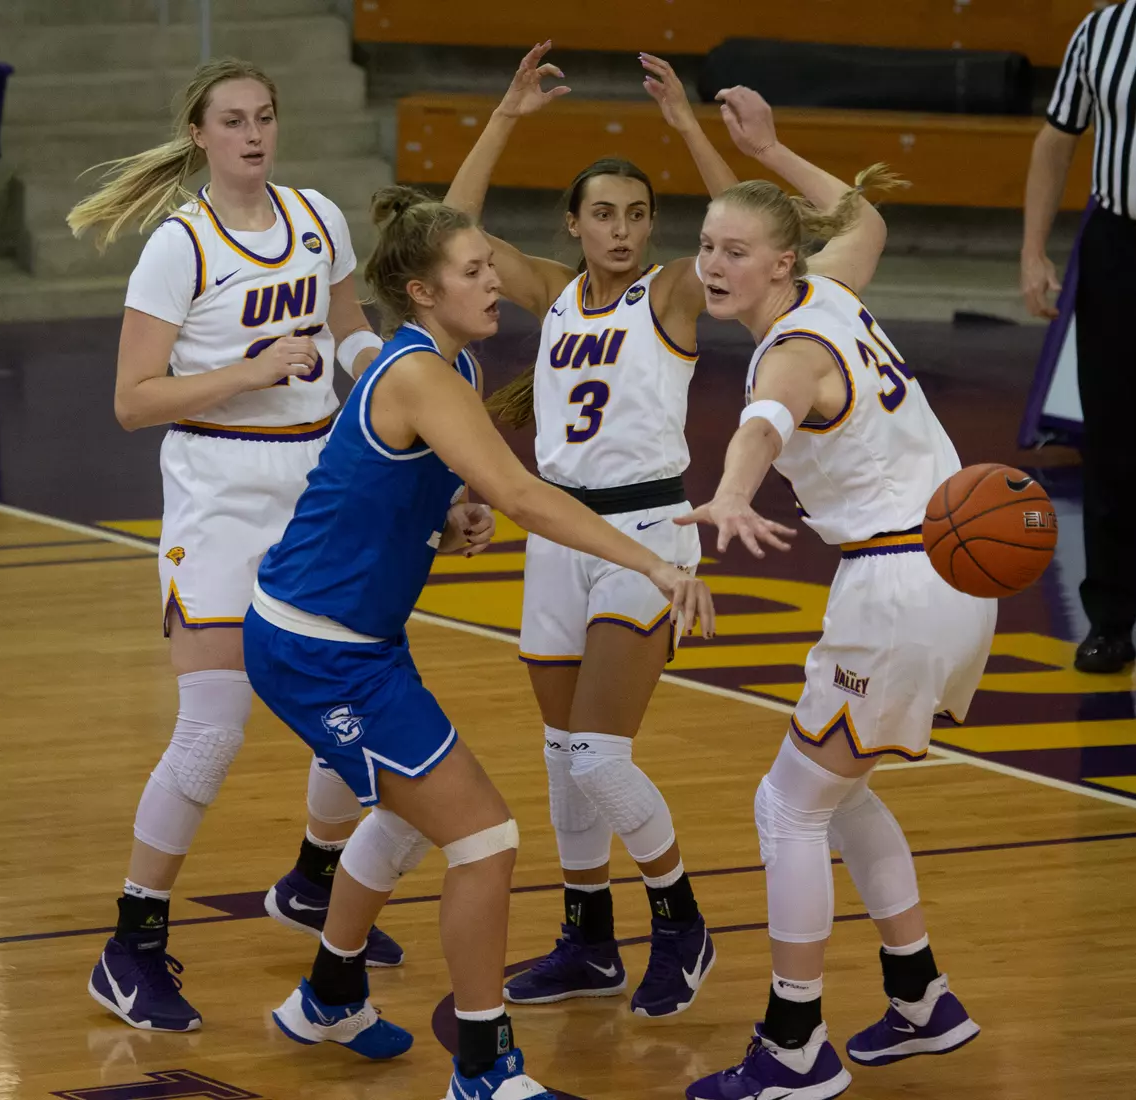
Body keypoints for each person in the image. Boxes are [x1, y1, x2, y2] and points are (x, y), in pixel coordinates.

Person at [241, 185, 715, 1096]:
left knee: (406, 815)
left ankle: (329, 995)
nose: (494, 279)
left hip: (356, 642)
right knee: (485, 840)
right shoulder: (418, 373)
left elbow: (403, 486)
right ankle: (483, 1068)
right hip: (316, 649)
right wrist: (653, 564)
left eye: (490, 265)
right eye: (472, 270)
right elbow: (526, 495)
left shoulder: (450, 366)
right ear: (422, 292)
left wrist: (447, 516)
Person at [66, 57, 399, 1034]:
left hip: (316, 486)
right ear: (200, 135)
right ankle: (130, 945)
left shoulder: (317, 217)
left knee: (350, 702)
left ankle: (312, 879)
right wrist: (246, 372)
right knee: (213, 726)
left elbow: (348, 328)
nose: (253, 135)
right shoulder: (180, 246)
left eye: (264, 117)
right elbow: (133, 400)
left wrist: (387, 374)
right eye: (233, 121)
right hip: (217, 491)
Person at [678, 88, 996, 1100]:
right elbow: (865, 220)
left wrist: (731, 490)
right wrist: (773, 150)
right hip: (951, 574)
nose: (712, 265)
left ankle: (793, 1046)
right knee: (838, 790)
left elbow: (762, 424)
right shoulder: (831, 288)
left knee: (787, 804)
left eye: (736, 251)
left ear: (781, 263)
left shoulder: (792, 349)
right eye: (706, 246)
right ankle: (919, 997)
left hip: (898, 584)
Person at [441, 42, 736, 1019]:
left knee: (600, 756)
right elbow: (450, 230)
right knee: (562, 750)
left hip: (646, 537)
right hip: (557, 535)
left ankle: (681, 920)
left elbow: (744, 230)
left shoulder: (672, 293)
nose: (620, 228)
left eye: (636, 213)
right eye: (602, 213)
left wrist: (688, 125)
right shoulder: (553, 292)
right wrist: (504, 117)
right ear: (573, 224)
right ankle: (588, 938)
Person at [1022, 0, 1136, 675]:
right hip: (1116, 249)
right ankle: (1109, 622)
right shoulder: (1101, 30)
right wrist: (1032, 250)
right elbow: (1055, 138)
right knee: (1111, 444)